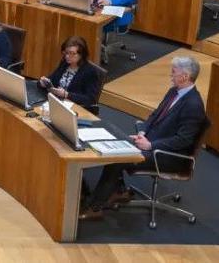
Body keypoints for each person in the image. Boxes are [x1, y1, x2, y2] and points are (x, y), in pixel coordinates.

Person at [79, 56, 207, 220]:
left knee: (119, 158)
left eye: (173, 73)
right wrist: (143, 133)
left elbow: (183, 140)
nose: (170, 76)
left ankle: (94, 208)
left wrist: (150, 145)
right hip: (151, 142)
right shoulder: (174, 91)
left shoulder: (193, 105)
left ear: (185, 77)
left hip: (168, 155)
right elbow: (155, 116)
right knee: (114, 143)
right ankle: (118, 191)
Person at [38, 36, 101, 110]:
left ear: (81, 54)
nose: (67, 56)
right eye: (66, 53)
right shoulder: (65, 63)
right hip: (57, 102)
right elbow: (52, 79)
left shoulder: (90, 71)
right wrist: (43, 82)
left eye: (72, 53)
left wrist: (67, 95)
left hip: (74, 108)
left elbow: (90, 100)